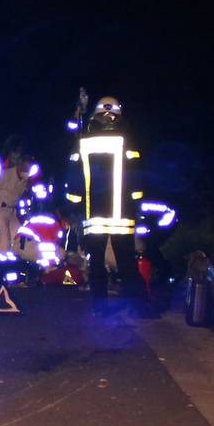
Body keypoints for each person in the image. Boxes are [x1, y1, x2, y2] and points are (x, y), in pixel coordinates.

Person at [66, 95, 149, 308]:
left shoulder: (83, 143)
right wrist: (136, 206)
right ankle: (138, 305)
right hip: (123, 216)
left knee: (97, 262)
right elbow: (137, 179)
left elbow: (74, 180)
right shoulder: (128, 142)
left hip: (94, 216)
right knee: (126, 262)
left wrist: (73, 207)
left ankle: (100, 306)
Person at [0, 136, 39, 261]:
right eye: (25, 167)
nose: (26, 170)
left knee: (17, 235)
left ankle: (16, 260)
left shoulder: (25, 180)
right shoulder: (6, 174)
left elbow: (23, 194)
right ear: (20, 164)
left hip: (11, 211)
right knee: (3, 238)